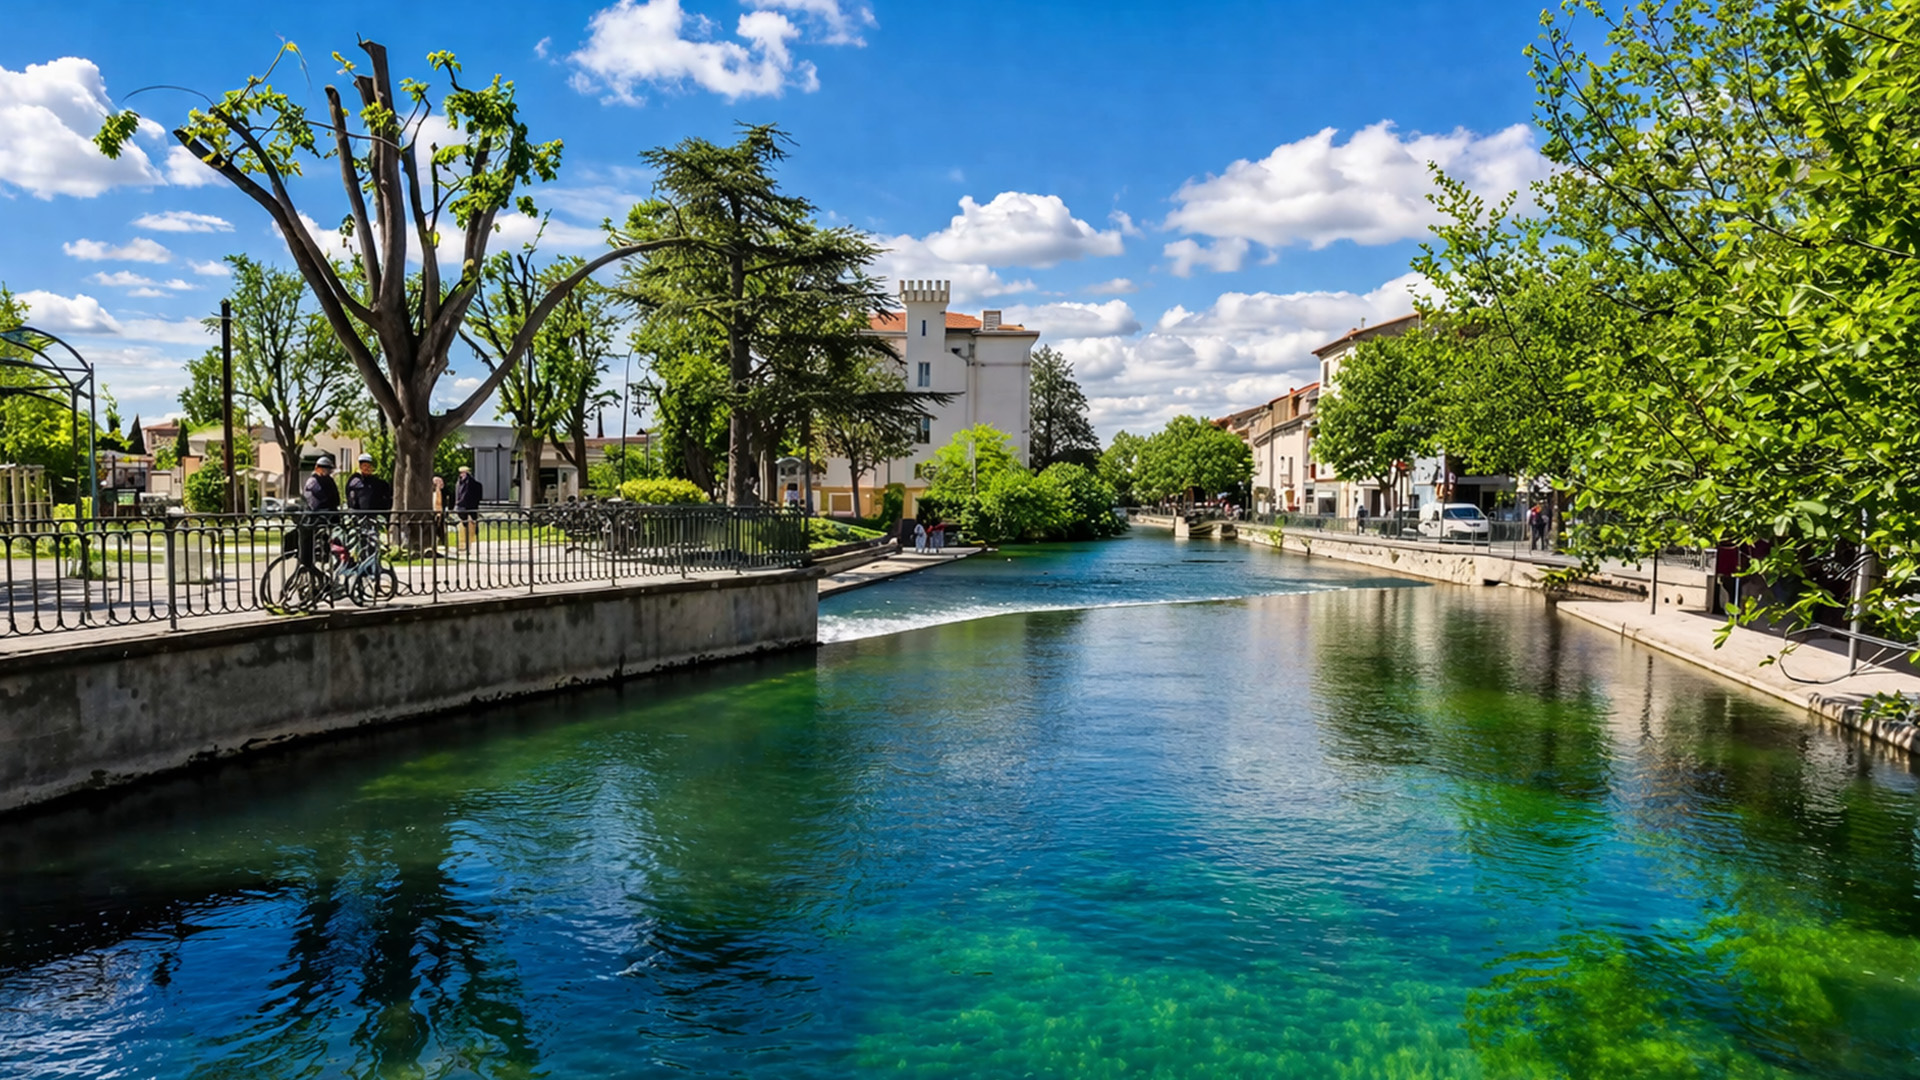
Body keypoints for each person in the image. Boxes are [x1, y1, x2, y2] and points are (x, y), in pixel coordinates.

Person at [298, 455, 341, 568]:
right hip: (317, 518)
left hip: (330, 517)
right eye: (324, 469)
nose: (326, 472)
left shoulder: (329, 481)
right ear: (317, 468)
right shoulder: (312, 482)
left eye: (328, 469)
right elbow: (315, 502)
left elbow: (336, 498)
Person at [454, 464, 483, 549]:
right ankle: (464, 544)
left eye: (464, 473)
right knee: (462, 527)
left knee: (470, 526)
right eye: (461, 473)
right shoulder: (459, 483)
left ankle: (469, 544)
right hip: (461, 507)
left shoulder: (472, 484)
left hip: (469, 508)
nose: (462, 475)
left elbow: (473, 496)